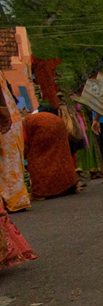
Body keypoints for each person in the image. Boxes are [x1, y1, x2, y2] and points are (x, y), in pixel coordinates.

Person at [23, 106, 80, 199]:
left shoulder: (21, 125)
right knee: (61, 155)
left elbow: (25, 144)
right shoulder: (29, 119)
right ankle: (68, 185)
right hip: (58, 123)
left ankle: (45, 190)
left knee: (37, 159)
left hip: (43, 128)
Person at [0, 80, 30, 212]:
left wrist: (4, 111)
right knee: (11, 159)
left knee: (9, 160)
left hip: (7, 117)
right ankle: (15, 198)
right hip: (10, 118)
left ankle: (13, 199)